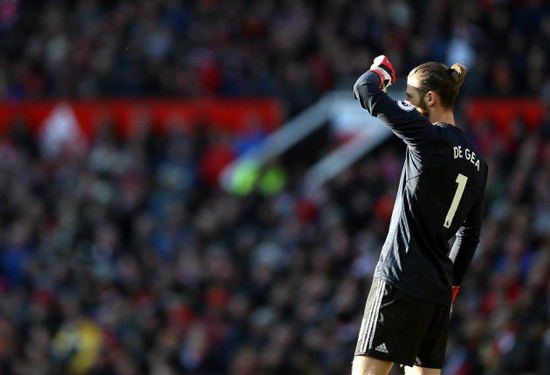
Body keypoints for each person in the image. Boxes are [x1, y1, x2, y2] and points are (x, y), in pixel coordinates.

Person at [351, 56, 488, 375]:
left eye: (409, 97)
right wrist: (450, 288)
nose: (405, 104)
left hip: (400, 276)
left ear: (430, 98)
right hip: (438, 291)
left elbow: (364, 90)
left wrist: (380, 71)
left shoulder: (429, 137)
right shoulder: (479, 163)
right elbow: (470, 235)